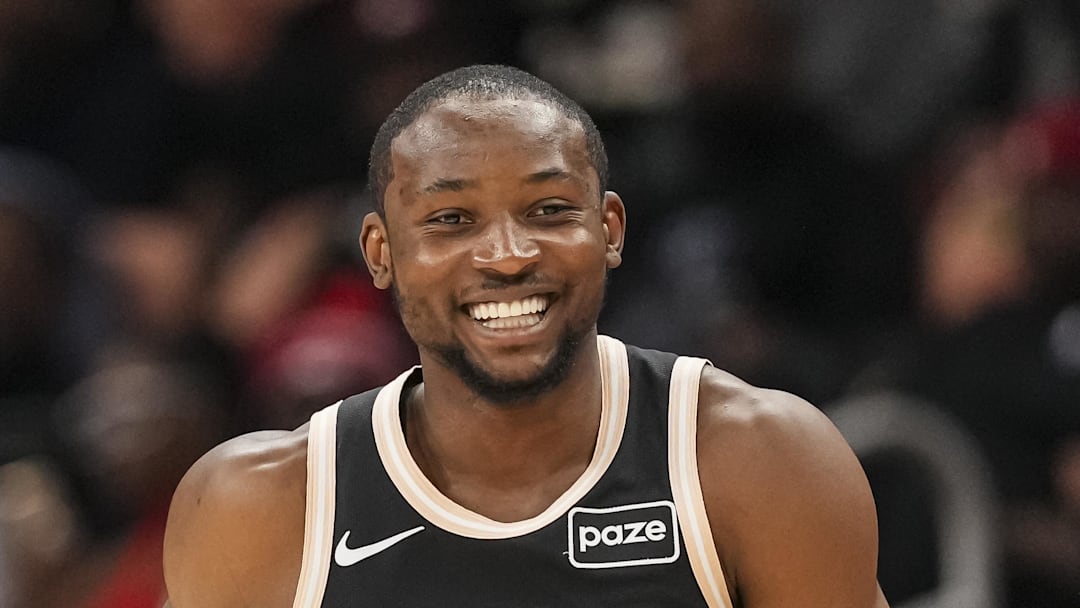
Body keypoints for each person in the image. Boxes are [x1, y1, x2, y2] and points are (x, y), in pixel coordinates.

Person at [162, 64, 888, 607]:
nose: (508, 255)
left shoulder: (758, 460)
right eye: (452, 221)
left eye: (547, 210)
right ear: (381, 253)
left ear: (608, 231)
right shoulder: (257, 508)